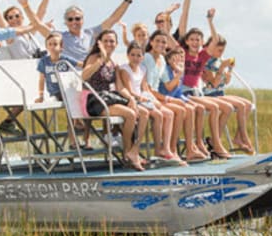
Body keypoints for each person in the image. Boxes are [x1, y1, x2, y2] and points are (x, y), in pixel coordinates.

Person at [81, 30, 146, 171]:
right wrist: (100, 60)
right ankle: (128, 152)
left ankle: (130, 151)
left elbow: (120, 87)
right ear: (100, 43)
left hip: (108, 98)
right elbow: (84, 76)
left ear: (116, 44)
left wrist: (131, 99)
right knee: (130, 114)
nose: (109, 44)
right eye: (106, 41)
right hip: (94, 100)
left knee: (138, 111)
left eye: (112, 41)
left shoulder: (114, 64)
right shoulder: (94, 57)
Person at [118, 41, 184, 165]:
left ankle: (161, 150)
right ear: (128, 55)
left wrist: (152, 99)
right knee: (146, 114)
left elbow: (145, 88)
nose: (136, 58)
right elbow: (130, 90)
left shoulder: (143, 69)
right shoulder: (124, 69)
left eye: (138, 55)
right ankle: (135, 149)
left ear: (142, 57)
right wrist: (142, 99)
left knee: (165, 114)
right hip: (132, 99)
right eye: (133, 55)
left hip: (144, 98)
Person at [144, 31, 205, 161]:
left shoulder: (161, 59)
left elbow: (169, 86)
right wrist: (166, 99)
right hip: (148, 96)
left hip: (156, 96)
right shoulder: (147, 58)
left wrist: (179, 74)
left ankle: (183, 149)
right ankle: (168, 150)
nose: (161, 44)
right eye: (158, 41)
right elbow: (147, 87)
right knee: (179, 110)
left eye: (164, 42)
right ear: (151, 42)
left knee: (187, 109)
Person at [179, 11, 232, 158]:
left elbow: (215, 39)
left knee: (217, 108)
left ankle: (213, 142)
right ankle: (203, 144)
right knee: (209, 107)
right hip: (184, 92)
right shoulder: (182, 52)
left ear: (202, 42)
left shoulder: (202, 55)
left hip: (197, 92)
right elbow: (181, 31)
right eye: (192, 39)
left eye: (198, 39)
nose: (195, 42)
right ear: (187, 41)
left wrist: (210, 21)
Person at [202, 10, 254, 153]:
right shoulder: (206, 62)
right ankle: (220, 139)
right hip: (211, 96)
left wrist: (229, 70)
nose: (221, 53)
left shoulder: (219, 61)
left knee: (247, 104)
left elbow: (225, 82)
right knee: (231, 107)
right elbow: (213, 83)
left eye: (222, 50)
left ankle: (238, 137)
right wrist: (222, 68)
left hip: (221, 93)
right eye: (219, 50)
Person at [59, 0, 143, 67]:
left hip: (91, 75)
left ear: (82, 20)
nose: (74, 22)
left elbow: (113, 19)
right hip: (71, 75)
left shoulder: (91, 33)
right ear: (66, 22)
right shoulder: (60, 37)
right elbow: (43, 25)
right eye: (70, 19)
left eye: (77, 18)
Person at [36, 33, 72, 103]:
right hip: (54, 94)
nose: (52, 47)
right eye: (50, 44)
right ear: (46, 47)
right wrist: (41, 96)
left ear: (61, 47)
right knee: (57, 98)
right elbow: (41, 80)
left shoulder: (65, 59)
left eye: (55, 44)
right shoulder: (43, 61)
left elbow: (81, 65)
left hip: (67, 91)